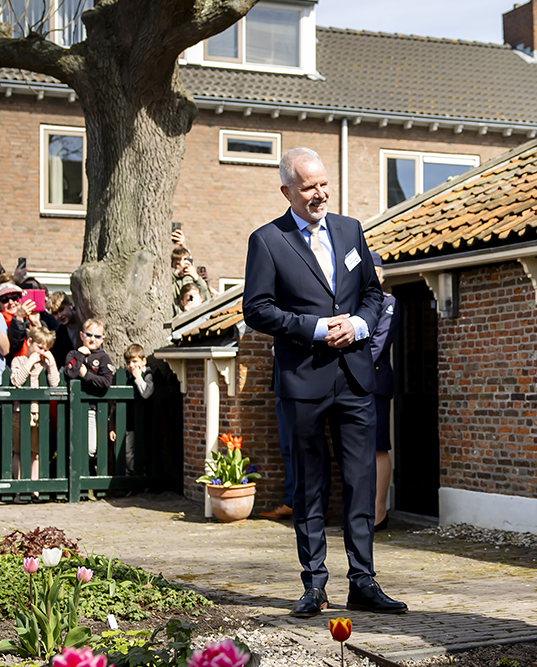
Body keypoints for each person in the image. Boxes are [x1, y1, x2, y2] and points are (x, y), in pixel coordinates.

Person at [243, 147, 404, 619]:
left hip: (355, 376)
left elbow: (373, 295)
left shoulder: (351, 230)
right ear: (287, 191)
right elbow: (257, 308)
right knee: (310, 487)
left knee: (359, 481)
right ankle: (314, 585)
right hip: (303, 378)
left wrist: (356, 325)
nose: (320, 193)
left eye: (324, 183)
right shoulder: (267, 241)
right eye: (309, 186)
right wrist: (315, 327)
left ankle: (363, 581)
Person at [367, 251, 399, 531]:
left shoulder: (388, 303)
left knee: (378, 447)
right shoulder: (353, 302)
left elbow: (378, 344)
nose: (373, 274)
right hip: (349, 384)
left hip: (374, 383)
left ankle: (379, 510)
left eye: (377, 270)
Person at [10, 324, 60, 486]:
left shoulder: (45, 366)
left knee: (35, 453)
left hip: (39, 413)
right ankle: (18, 486)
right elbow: (17, 381)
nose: (41, 352)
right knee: (18, 451)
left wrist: (51, 363)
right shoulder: (18, 361)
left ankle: (34, 487)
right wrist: (30, 362)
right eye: (39, 347)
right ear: (29, 341)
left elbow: (55, 384)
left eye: (46, 349)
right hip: (20, 412)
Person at [64, 318, 115, 470]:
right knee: (73, 445)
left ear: (103, 339)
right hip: (73, 408)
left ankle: (88, 476)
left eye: (97, 336)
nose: (93, 339)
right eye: (89, 335)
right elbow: (70, 372)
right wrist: (80, 355)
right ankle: (79, 480)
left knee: (90, 449)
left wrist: (86, 375)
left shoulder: (103, 358)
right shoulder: (73, 354)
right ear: (81, 335)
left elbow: (106, 382)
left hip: (92, 409)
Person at [122, 344, 154, 473]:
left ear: (143, 361)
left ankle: (143, 475)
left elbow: (146, 393)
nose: (131, 365)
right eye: (129, 362)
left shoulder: (148, 374)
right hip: (129, 421)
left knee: (145, 450)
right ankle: (131, 474)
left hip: (146, 420)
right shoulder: (124, 376)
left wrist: (138, 377)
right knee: (128, 452)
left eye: (135, 361)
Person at [170, 246, 208, 315]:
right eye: (178, 264)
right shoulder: (174, 282)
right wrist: (177, 271)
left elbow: (205, 293)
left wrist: (196, 276)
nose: (183, 266)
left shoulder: (194, 279)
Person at [49, 292, 83, 367]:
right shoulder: (60, 333)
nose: (60, 315)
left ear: (70, 305)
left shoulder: (83, 320)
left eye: (61, 310)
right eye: (55, 313)